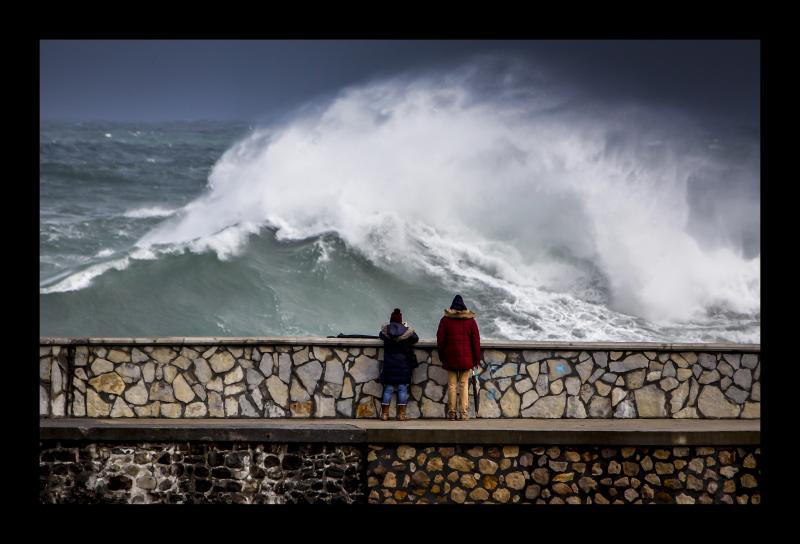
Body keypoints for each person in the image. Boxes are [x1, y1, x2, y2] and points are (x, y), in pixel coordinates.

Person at [436, 294, 481, 420]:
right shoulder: (470, 321)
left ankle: (452, 413)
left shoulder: (445, 320)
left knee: (452, 385)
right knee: (464, 385)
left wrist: (442, 356)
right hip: (466, 360)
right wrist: (476, 359)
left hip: (450, 358)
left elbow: (440, 340)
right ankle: (464, 414)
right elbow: (476, 342)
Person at [378, 308, 419, 421]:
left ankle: (385, 414)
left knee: (388, 388)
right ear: (401, 321)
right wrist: (406, 327)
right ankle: (401, 415)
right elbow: (415, 338)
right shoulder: (407, 333)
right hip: (403, 366)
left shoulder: (386, 332)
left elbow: (380, 335)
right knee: (402, 388)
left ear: (391, 321)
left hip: (389, 365)